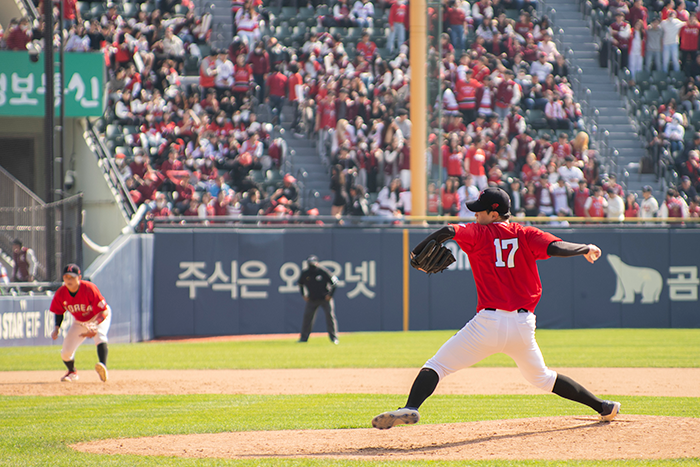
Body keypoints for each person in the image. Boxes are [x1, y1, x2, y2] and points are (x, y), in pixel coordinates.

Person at [371, 187, 621, 430]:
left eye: (479, 211)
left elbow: (448, 230)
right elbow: (556, 247)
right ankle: (603, 406)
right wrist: (585, 248)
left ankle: (411, 407)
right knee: (543, 378)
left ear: (493, 214)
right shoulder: (526, 234)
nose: (475, 215)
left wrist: (417, 252)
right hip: (523, 327)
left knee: (437, 365)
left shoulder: (479, 233)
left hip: (487, 326)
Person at [49, 264, 111, 383]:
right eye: (66, 277)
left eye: (72, 277)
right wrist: (57, 328)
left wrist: (95, 324)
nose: (69, 280)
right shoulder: (61, 293)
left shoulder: (89, 288)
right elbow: (59, 311)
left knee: (100, 335)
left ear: (79, 277)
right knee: (66, 352)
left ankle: (103, 366)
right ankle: (72, 372)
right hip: (80, 321)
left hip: (98, 316)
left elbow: (104, 311)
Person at [297, 255, 339, 344]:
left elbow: (335, 282)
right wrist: (303, 295)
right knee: (307, 318)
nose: (312, 266)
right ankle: (303, 338)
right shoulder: (305, 273)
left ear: (317, 263)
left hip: (325, 299)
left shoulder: (323, 272)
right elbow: (300, 283)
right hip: (312, 299)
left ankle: (334, 338)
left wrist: (330, 295)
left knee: (330, 317)